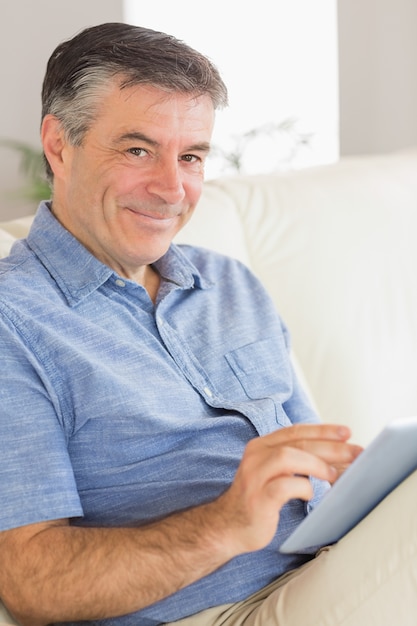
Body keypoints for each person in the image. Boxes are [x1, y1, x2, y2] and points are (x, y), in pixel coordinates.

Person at [0, 22, 416, 626]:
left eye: (191, 156)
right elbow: (32, 582)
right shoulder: (13, 320)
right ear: (59, 146)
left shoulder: (229, 283)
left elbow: (317, 464)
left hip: (324, 575)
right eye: (138, 150)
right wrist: (227, 524)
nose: (172, 188)